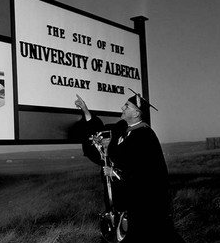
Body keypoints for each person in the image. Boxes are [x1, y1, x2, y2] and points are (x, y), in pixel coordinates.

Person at [74, 91, 186, 243]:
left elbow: (148, 173)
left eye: (127, 106)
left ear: (136, 113)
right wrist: (86, 111)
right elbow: (99, 134)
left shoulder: (145, 136)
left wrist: (115, 173)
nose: (122, 107)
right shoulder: (121, 130)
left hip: (141, 203)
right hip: (122, 201)